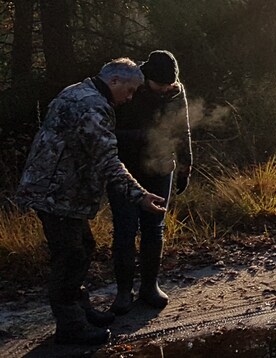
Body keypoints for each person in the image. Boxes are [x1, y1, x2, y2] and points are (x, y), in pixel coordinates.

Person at [15, 59, 167, 345]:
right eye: (130, 90)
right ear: (114, 81)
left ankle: (80, 309)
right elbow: (108, 161)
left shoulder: (77, 91)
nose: (130, 98)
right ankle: (71, 326)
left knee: (83, 246)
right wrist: (141, 196)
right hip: (56, 193)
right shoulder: (94, 107)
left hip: (58, 189)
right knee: (69, 257)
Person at [108, 50, 192, 314]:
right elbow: (108, 129)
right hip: (125, 167)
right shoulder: (129, 86)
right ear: (146, 78)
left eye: (169, 85)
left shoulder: (175, 91)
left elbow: (182, 128)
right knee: (125, 229)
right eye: (160, 85)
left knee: (154, 228)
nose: (165, 90)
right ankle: (124, 291)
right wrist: (141, 135)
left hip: (161, 166)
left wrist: (186, 166)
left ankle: (149, 286)